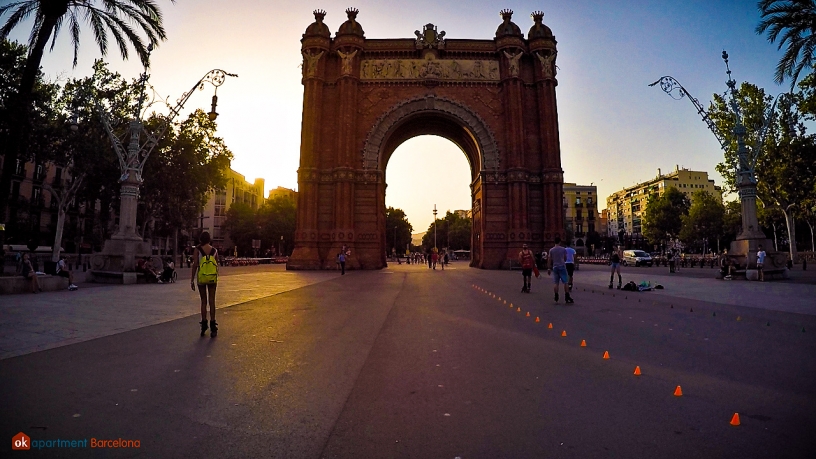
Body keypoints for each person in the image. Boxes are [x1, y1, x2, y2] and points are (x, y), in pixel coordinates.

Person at [191, 231, 219, 337]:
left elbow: (195, 265)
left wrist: (192, 280)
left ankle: (203, 324)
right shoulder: (215, 250)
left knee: (203, 301)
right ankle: (213, 325)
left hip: (201, 277)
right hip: (212, 278)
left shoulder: (197, 250)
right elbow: (216, 265)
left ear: (200, 239)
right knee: (212, 301)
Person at [547, 236, 573, 303]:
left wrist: (549, 268)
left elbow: (549, 259)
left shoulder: (551, 250)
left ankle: (556, 295)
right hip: (562, 266)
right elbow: (565, 258)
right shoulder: (563, 249)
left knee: (556, 283)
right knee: (565, 282)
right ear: (560, 242)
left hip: (555, 267)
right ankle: (567, 296)